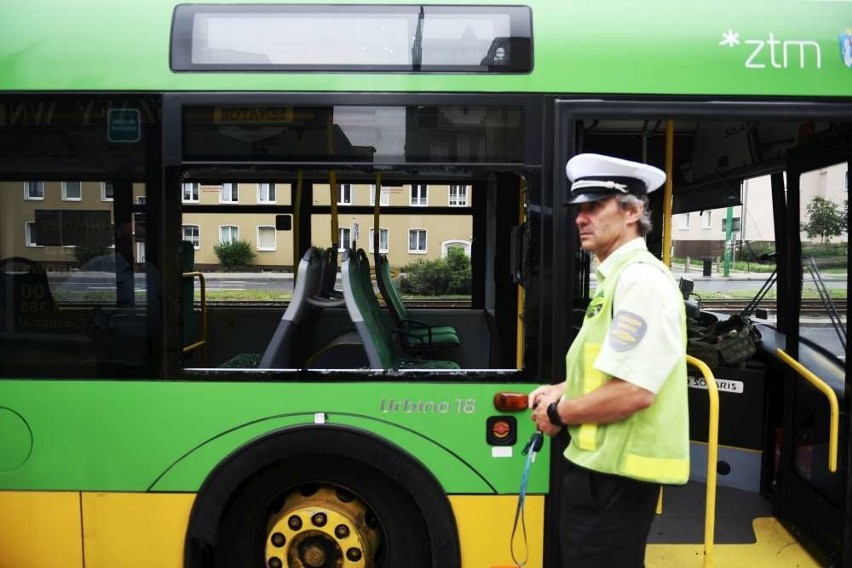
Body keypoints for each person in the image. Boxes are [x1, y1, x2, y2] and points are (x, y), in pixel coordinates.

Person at [529, 153, 689, 567]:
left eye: (594, 207)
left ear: (633, 211)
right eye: (578, 210)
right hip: (601, 473)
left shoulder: (640, 282)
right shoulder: (618, 279)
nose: (581, 218)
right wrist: (560, 389)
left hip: (615, 478)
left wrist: (559, 412)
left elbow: (634, 391)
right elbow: (611, 371)